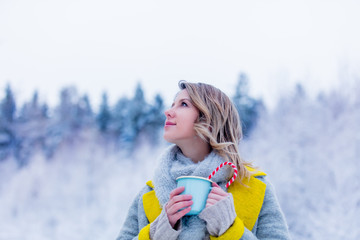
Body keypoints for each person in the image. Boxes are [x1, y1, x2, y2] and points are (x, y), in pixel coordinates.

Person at [117, 80, 291, 240]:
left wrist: (229, 228)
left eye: (183, 104)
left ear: (209, 120)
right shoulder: (150, 194)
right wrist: (158, 232)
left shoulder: (254, 188)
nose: (168, 112)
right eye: (172, 105)